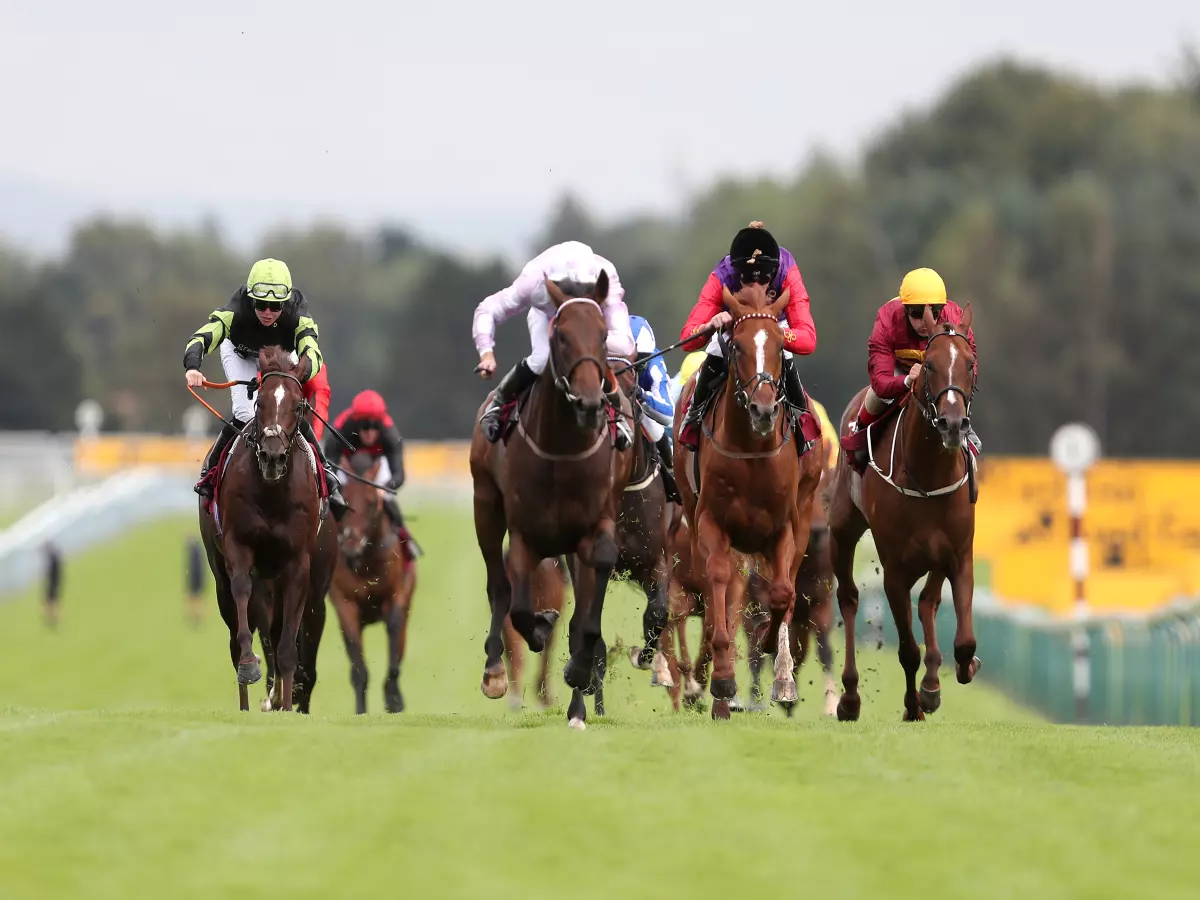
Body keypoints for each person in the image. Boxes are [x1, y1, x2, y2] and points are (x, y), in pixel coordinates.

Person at [184, 258, 346, 518]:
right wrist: (193, 366)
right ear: (251, 299)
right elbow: (204, 336)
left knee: (291, 409)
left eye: (275, 306)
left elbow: (313, 353)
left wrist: (299, 376)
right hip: (240, 353)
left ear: (286, 302)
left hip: (281, 355)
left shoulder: (298, 313)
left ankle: (325, 472)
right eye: (261, 304)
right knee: (246, 412)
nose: (268, 312)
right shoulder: (237, 308)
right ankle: (210, 473)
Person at [472, 240, 636, 447]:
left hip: (588, 322)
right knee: (541, 359)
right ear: (553, 286)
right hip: (546, 315)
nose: (576, 295)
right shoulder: (533, 280)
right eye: (569, 291)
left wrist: (585, 343)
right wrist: (486, 352)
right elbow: (488, 309)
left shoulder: (606, 277)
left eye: (584, 291)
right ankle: (499, 403)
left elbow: (625, 344)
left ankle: (616, 416)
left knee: (591, 354)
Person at [677, 222, 817, 450]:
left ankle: (803, 425)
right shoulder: (722, 274)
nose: (756, 287)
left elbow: (808, 339)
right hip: (735, 326)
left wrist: (772, 332)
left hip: (773, 326)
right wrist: (710, 325)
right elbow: (688, 337)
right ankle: (692, 420)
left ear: (774, 274)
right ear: (736, 272)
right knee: (713, 349)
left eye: (764, 282)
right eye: (747, 281)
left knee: (786, 357)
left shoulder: (788, 271)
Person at [840, 267, 980, 473]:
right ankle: (860, 433)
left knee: (953, 392)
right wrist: (906, 380)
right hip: (900, 371)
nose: (926, 320)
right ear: (905, 308)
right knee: (874, 398)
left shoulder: (955, 316)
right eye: (916, 312)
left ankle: (964, 434)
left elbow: (970, 363)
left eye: (934, 312)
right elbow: (880, 382)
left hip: (938, 377)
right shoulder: (887, 319)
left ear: (942, 308)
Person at [326, 389, 421, 560]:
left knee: (388, 500)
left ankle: (406, 540)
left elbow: (399, 475)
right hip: (347, 466)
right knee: (332, 500)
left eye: (375, 427)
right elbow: (329, 464)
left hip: (376, 466)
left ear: (381, 425)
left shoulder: (391, 435)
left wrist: (384, 489)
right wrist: (339, 488)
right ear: (356, 424)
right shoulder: (341, 429)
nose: (369, 432)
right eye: (364, 427)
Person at [628, 315, 682, 503]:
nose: (632, 367)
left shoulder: (654, 364)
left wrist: (642, 395)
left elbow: (668, 414)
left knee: (653, 426)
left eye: (639, 360)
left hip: (640, 406)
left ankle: (671, 473)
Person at [185, 537, 204, 627]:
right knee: (196, 598)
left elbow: (193, 569)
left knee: (195, 598)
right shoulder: (198, 552)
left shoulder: (194, 553)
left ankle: (196, 615)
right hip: (197, 578)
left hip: (195, 579)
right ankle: (196, 615)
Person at [42, 541, 62, 629]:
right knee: (52, 601)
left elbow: (50, 572)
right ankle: (52, 617)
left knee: (50, 601)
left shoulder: (52, 559)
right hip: (56, 582)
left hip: (52, 583)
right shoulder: (56, 556)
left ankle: (53, 617)